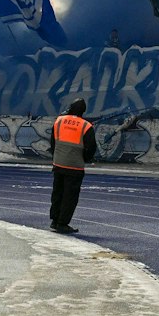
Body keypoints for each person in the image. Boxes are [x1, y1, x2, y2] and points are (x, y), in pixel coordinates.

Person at [48, 98, 97, 233]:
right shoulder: (86, 126)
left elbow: (53, 141)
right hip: (75, 166)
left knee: (57, 193)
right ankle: (63, 223)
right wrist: (85, 158)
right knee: (70, 197)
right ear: (83, 111)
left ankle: (54, 220)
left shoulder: (59, 121)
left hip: (58, 163)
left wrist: (56, 155)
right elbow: (91, 147)